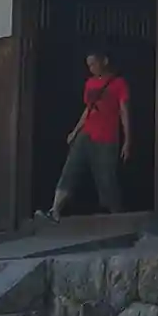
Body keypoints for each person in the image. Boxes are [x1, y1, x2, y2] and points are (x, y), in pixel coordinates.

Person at [43, 49, 132, 218]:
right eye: (88, 65)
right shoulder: (90, 83)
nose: (91, 68)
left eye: (93, 64)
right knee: (71, 168)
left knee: (106, 177)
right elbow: (88, 110)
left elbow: (124, 111)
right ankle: (55, 209)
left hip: (107, 137)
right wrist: (75, 131)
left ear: (104, 61)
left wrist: (128, 140)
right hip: (86, 133)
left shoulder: (119, 83)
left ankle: (116, 214)